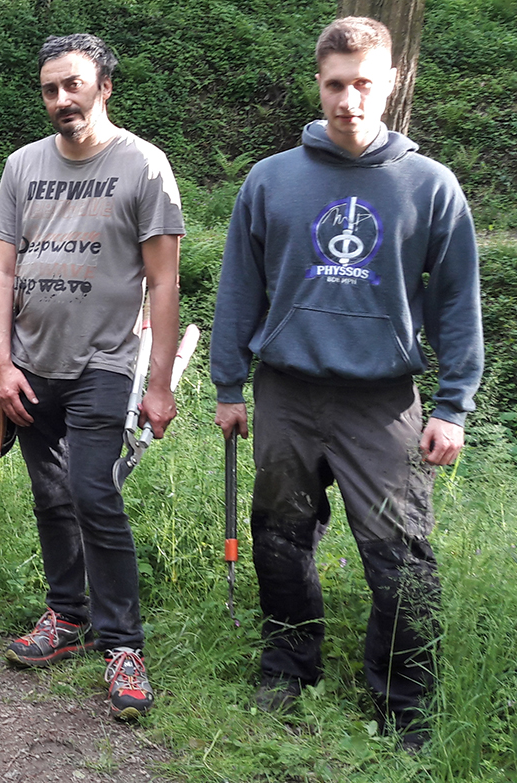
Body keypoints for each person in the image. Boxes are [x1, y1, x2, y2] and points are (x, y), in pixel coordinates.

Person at [209, 17, 483, 750]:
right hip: (286, 392)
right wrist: (229, 386)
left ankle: (404, 702)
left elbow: (458, 304)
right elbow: (239, 290)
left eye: (364, 83)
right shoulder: (271, 179)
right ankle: (288, 666)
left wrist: (453, 406)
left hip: (381, 400)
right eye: (336, 84)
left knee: (402, 555)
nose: (349, 100)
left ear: (390, 82)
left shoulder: (430, 185)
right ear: (319, 84)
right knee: (280, 536)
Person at [0, 33, 185, 722]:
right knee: (50, 493)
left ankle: (123, 645)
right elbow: (2, 269)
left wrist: (159, 383)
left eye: (74, 84)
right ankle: (67, 615)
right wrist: (0, 363)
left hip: (105, 359)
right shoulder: (22, 165)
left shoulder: (144, 165)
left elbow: (164, 281)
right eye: (50, 89)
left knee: (93, 491)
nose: (61, 99)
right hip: (29, 362)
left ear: (104, 87)